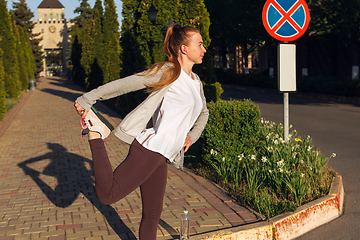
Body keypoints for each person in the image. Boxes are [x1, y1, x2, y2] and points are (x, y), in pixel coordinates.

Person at [74, 25, 209, 240]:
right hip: (150, 149)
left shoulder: (196, 82)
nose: (204, 48)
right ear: (184, 48)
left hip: (162, 156)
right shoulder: (168, 71)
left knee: (152, 215)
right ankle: (95, 132)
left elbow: (204, 113)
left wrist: (192, 135)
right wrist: (88, 98)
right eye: (199, 44)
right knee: (107, 194)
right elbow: (128, 83)